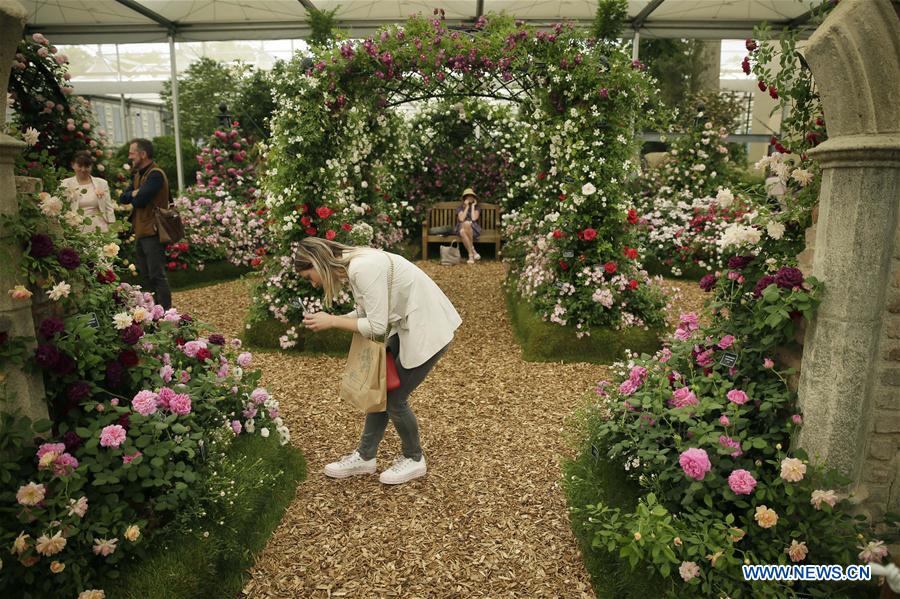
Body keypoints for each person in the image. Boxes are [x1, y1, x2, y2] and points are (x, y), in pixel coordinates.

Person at [296, 237, 462, 485]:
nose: (313, 283)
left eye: (309, 276)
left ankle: (414, 459)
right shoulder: (354, 265)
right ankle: (365, 456)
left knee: (395, 398)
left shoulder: (362, 268)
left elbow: (377, 328)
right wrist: (332, 318)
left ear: (316, 263)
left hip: (428, 326)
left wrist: (332, 322)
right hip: (408, 324)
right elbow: (368, 314)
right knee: (382, 390)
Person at [118, 138, 172, 310]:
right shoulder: (137, 175)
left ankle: (165, 312)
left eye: (132, 153)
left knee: (157, 275)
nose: (129, 156)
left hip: (153, 232)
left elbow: (139, 201)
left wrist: (134, 194)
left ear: (143, 154)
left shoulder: (155, 174)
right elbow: (123, 198)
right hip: (141, 231)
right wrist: (135, 192)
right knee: (146, 276)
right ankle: (152, 312)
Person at [60, 151, 115, 233]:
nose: (83, 170)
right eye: (80, 166)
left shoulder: (102, 183)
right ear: (72, 165)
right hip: (75, 229)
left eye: (86, 166)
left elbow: (108, 207)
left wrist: (112, 226)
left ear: (91, 166)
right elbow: (61, 208)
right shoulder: (65, 184)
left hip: (99, 228)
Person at [455, 187, 482, 264]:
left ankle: (471, 255)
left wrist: (473, 206)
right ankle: (473, 252)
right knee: (464, 226)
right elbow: (461, 219)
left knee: (463, 230)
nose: (470, 197)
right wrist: (466, 207)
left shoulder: (477, 208)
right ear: (465, 198)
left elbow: (473, 218)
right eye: (468, 196)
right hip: (461, 226)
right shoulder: (459, 208)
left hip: (473, 229)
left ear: (474, 198)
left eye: (471, 196)